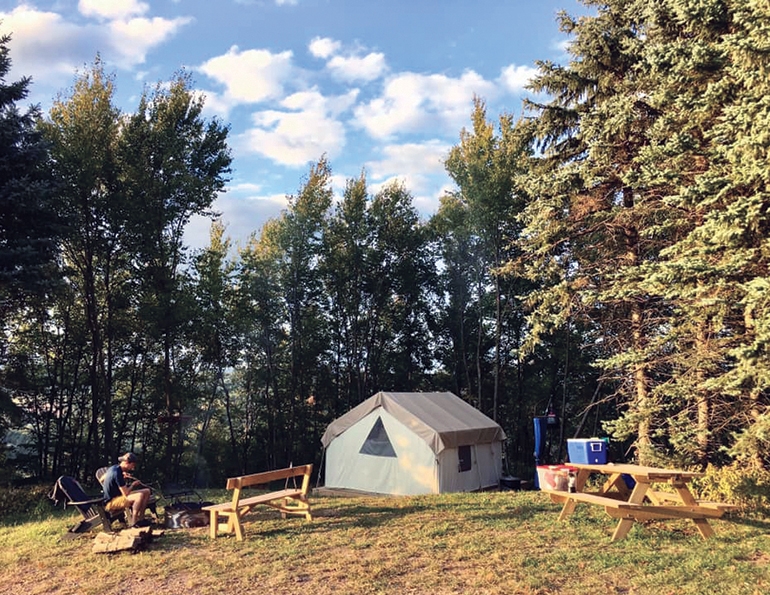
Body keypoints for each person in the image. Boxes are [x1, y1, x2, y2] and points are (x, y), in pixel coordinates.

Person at [102, 452, 151, 526]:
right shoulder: (117, 473)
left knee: (147, 491)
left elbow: (101, 479)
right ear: (127, 463)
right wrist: (132, 485)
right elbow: (126, 493)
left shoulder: (114, 468)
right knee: (139, 496)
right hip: (112, 502)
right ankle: (134, 523)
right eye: (133, 465)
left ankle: (141, 519)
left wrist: (122, 476)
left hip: (119, 496)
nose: (133, 468)